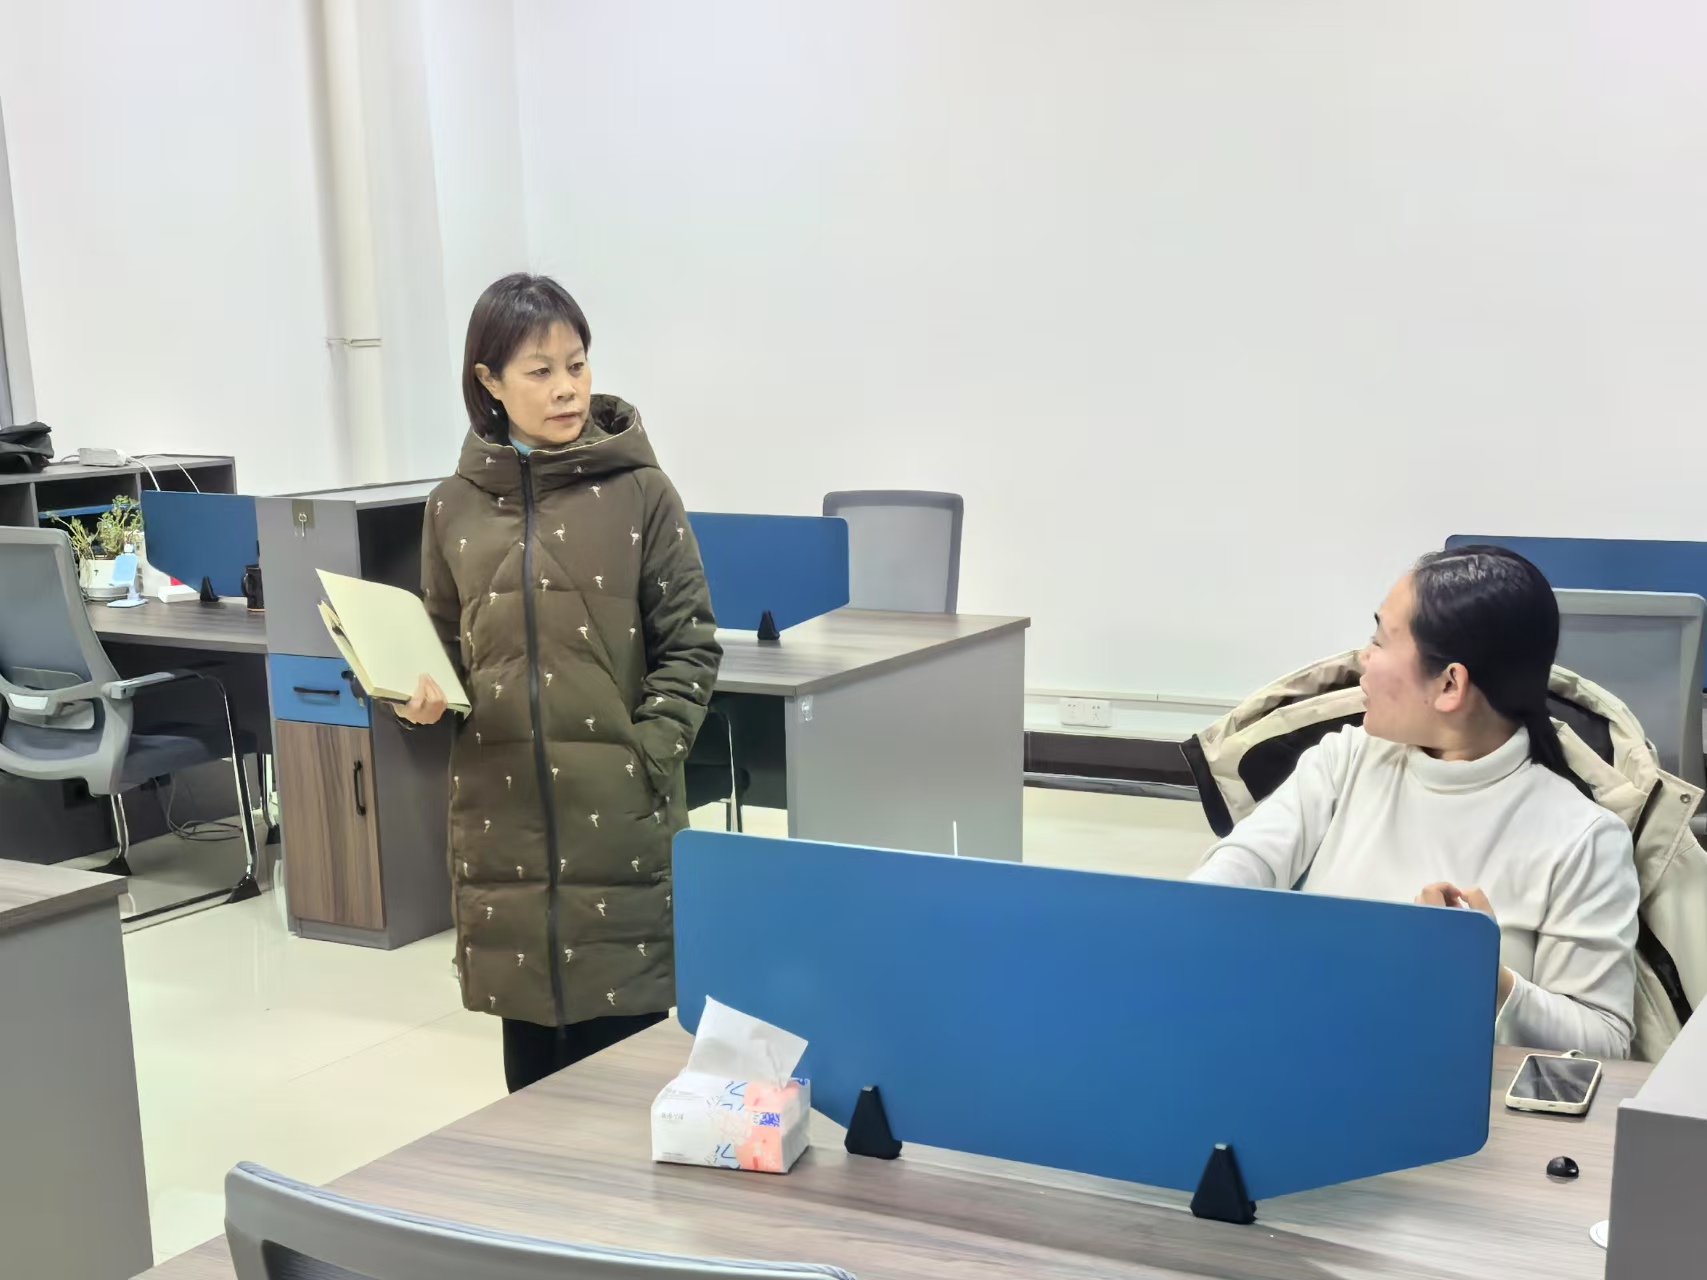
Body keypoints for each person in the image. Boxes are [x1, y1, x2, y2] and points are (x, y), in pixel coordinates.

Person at [398, 273, 722, 1092]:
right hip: (501, 818)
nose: (567, 387)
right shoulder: (453, 507)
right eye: (539, 371)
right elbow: (442, 647)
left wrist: (644, 757)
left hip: (617, 814)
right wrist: (417, 699)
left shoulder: (640, 493)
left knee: (626, 1079)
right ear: (489, 382)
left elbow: (690, 644)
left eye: (576, 364)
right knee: (530, 1089)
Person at [1191, 546, 1640, 1059]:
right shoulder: (1345, 760)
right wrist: (1190, 916)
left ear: (1449, 684)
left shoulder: (1583, 837)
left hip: (1457, 1095)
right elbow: (1239, 869)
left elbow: (1605, 1045)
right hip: (1303, 1058)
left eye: (1380, 640)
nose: (1363, 657)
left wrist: (1485, 977)